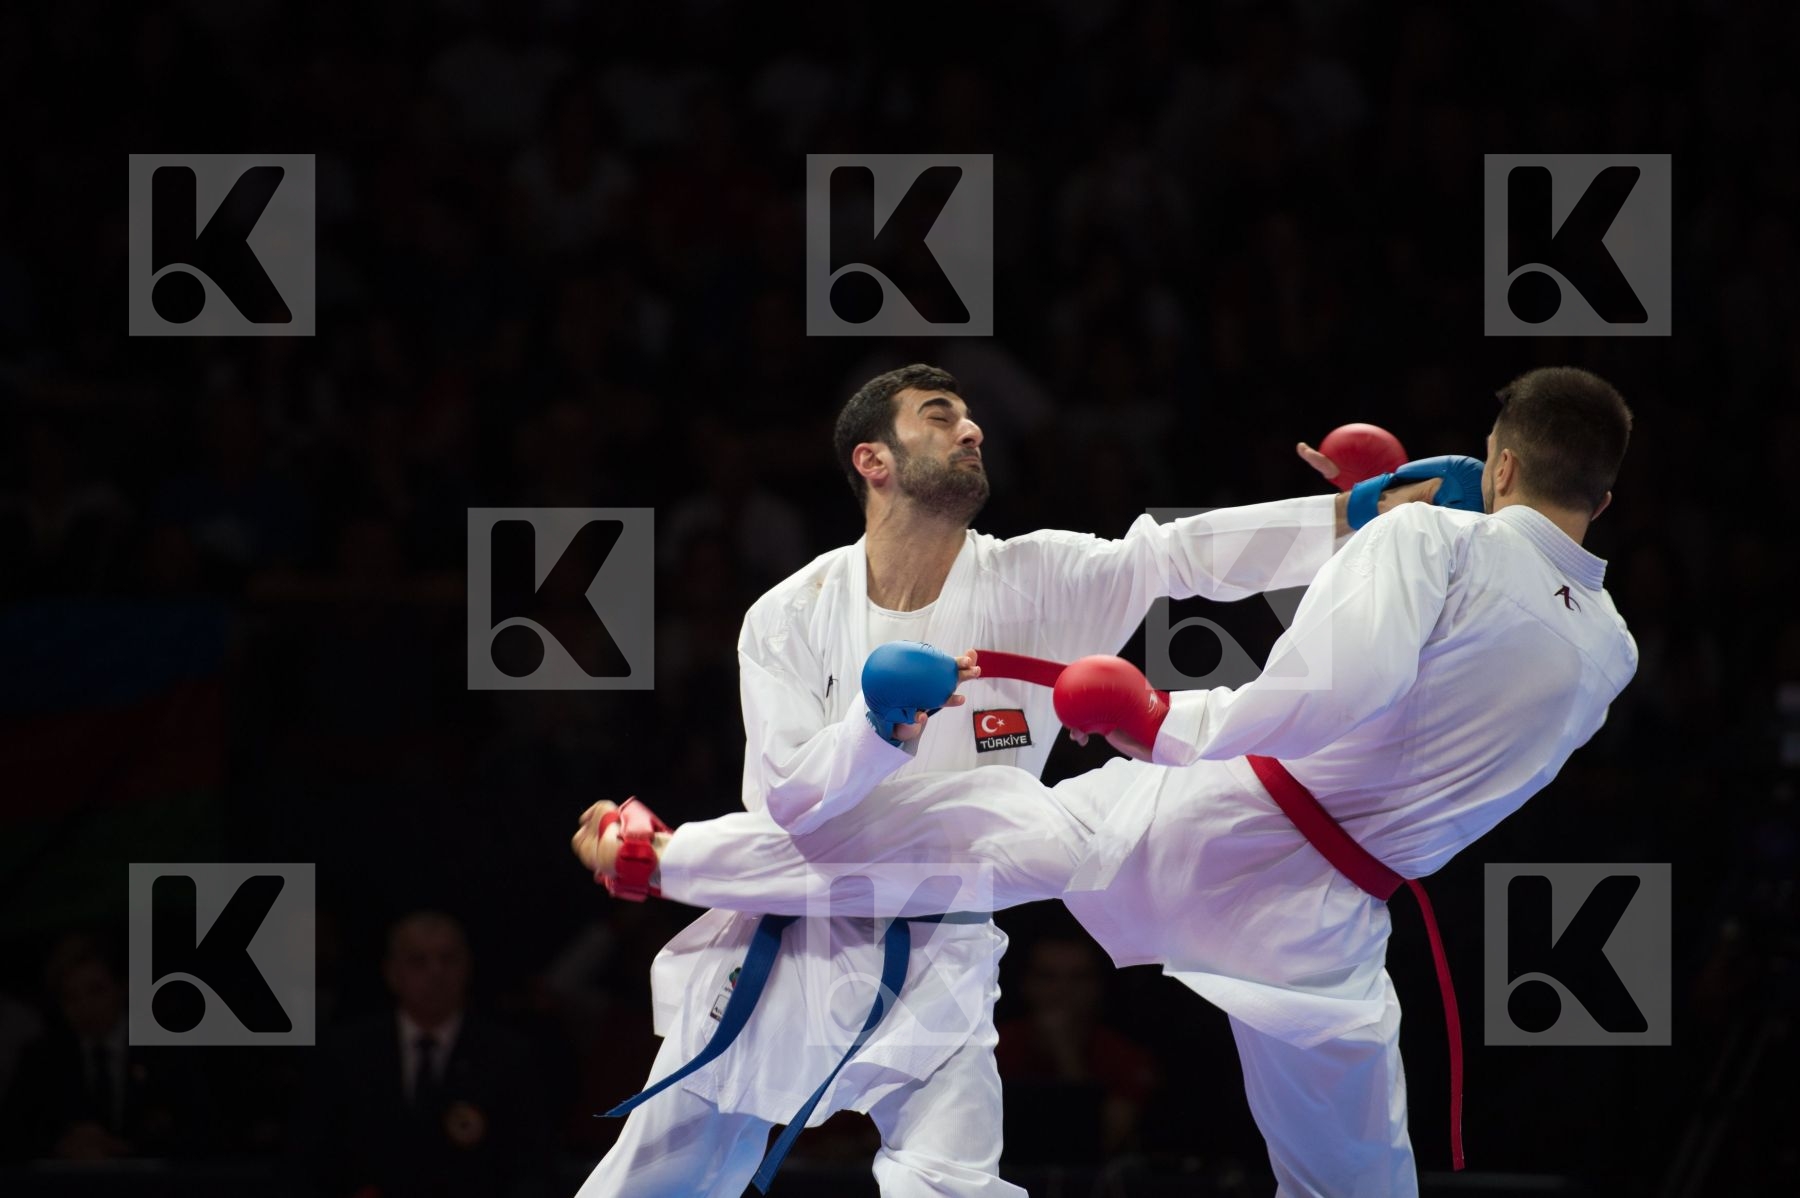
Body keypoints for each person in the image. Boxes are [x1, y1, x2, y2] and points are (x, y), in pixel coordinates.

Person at [578, 366, 1639, 1197]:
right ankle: (663, 860)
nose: (973, 428)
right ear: (873, 459)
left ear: (1500, 466)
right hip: (805, 924)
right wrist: (873, 726)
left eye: (970, 414)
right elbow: (800, 811)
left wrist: (1347, 529)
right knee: (659, 1177)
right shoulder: (786, 615)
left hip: (1038, 893)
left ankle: (659, 856)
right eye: (942, 415)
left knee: (959, 1147)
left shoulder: (1036, 574)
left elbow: (1181, 567)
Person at [289, 911, 553, 1198]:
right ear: (392, 972)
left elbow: (533, 1168)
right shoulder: (346, 1054)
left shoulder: (506, 1056)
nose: (435, 972)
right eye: (418, 961)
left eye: (447, 959)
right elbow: (308, 1164)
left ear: (466, 967)